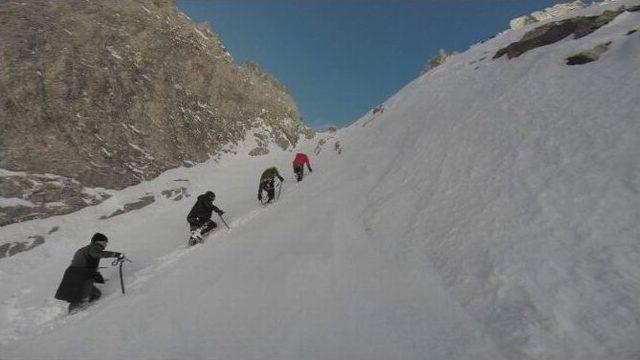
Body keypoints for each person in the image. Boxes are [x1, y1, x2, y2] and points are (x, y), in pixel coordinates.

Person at [55, 233, 124, 314]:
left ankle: (87, 308)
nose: (105, 245)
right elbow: (96, 254)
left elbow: (83, 261)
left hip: (72, 273)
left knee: (95, 293)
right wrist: (116, 254)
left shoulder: (83, 249)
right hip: (82, 275)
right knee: (79, 296)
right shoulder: (94, 247)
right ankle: (74, 315)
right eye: (105, 242)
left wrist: (95, 272)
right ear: (99, 242)